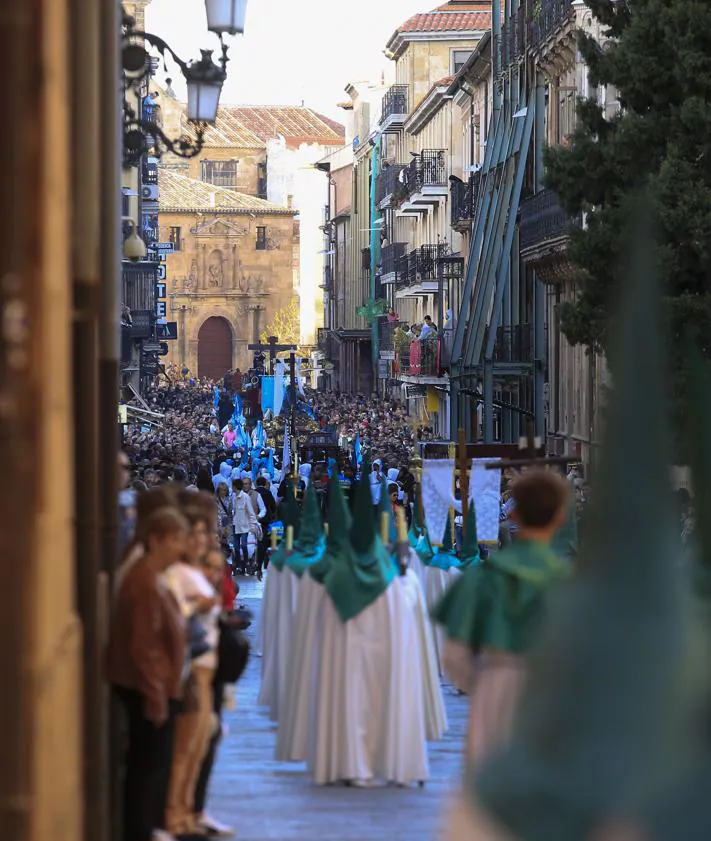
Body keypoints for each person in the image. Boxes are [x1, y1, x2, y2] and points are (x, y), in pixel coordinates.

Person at [432, 469, 571, 840]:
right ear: (560, 515)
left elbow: (455, 656)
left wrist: (486, 682)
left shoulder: (484, 577)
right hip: (555, 695)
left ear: (513, 515)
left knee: (487, 794)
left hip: (496, 684)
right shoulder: (576, 581)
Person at [106, 507, 188, 841]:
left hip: (152, 686)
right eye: (175, 540)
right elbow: (145, 647)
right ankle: (139, 830)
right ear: (155, 541)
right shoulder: (144, 583)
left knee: (151, 765)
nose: (180, 549)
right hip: (146, 689)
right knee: (145, 766)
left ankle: (146, 827)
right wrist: (156, 696)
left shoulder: (149, 575)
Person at [164, 508, 221, 839]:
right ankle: (174, 815)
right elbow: (175, 610)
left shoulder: (194, 569)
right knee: (185, 748)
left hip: (206, 662)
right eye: (195, 534)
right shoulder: (178, 573)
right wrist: (197, 604)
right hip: (192, 667)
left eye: (204, 533)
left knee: (198, 745)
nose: (201, 539)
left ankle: (186, 811)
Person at [232, 478, 259, 575]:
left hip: (244, 526)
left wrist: (252, 525)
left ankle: (247, 562)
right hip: (236, 524)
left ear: (235, 487)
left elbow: (251, 512)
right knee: (236, 546)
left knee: (244, 545)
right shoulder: (233, 496)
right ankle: (239, 564)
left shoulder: (245, 497)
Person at [255, 475, 277, 580]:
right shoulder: (268, 493)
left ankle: (257, 563)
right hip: (265, 521)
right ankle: (263, 560)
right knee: (263, 541)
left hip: (255, 519)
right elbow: (273, 506)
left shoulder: (253, 492)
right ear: (265, 484)